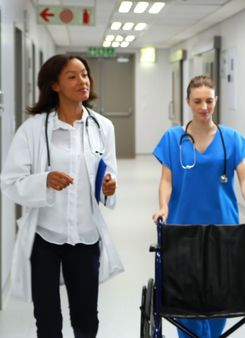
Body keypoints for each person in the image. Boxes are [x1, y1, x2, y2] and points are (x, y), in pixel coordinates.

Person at [0, 54, 123, 337]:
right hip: (45, 238)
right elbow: (10, 181)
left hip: (85, 236)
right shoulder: (32, 129)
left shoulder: (103, 127)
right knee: (48, 322)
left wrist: (109, 187)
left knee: (86, 321)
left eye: (85, 75)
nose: (83, 81)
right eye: (72, 76)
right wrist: (44, 180)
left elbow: (110, 173)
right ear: (54, 85)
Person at [151, 75, 245, 338]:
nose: (204, 107)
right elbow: (166, 179)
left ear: (216, 101)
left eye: (209, 101)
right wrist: (163, 207)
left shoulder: (231, 138)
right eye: (198, 101)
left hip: (223, 226)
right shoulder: (173, 137)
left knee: (219, 294)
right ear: (188, 102)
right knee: (185, 295)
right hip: (182, 225)